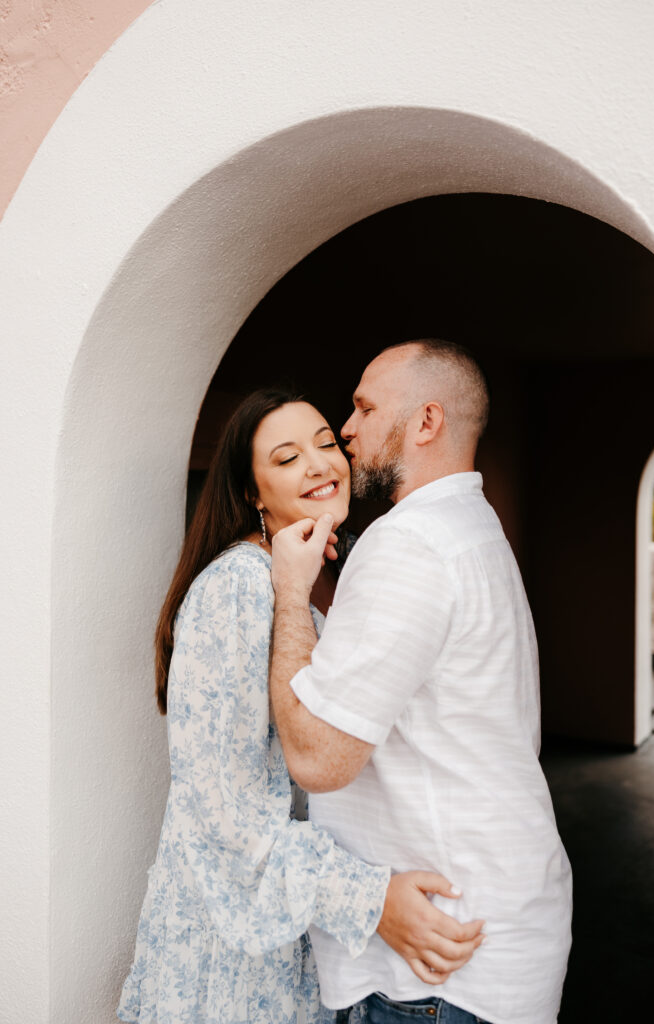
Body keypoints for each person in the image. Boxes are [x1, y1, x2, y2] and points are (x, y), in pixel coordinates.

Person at [117, 387, 485, 1024]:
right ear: (254, 493)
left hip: (288, 934)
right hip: (231, 954)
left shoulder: (308, 582)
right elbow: (224, 810)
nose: (319, 464)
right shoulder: (238, 587)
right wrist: (370, 898)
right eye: (287, 458)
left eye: (324, 444)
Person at [269, 341, 573, 1024]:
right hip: (491, 932)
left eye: (364, 407)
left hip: (439, 967)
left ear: (426, 422)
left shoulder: (410, 542)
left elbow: (319, 759)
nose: (346, 430)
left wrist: (289, 594)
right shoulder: (471, 527)